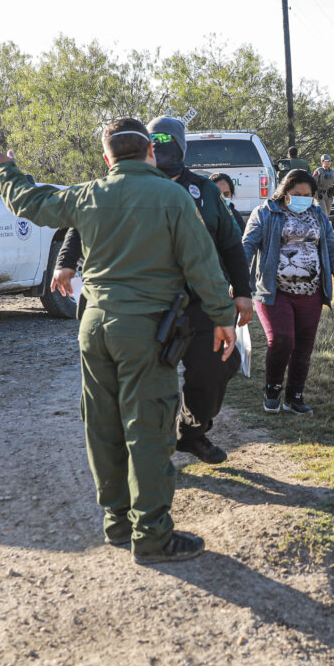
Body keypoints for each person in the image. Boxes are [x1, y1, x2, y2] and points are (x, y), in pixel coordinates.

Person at [0, 118, 237, 564]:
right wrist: (222, 316)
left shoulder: (87, 194)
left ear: (107, 158)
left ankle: (117, 521)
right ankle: (152, 536)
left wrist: (5, 169)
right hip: (144, 329)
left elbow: (29, 201)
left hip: (94, 327)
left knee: (103, 425)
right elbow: (202, 264)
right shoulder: (173, 196)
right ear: (150, 153)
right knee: (149, 428)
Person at [52, 117, 253, 466]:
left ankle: (190, 432)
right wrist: (66, 262)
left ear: (182, 147)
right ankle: (145, 458)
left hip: (198, 299)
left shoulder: (204, 191)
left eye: (168, 140)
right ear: (146, 146)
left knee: (219, 365)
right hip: (144, 300)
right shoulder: (122, 183)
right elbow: (82, 219)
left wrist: (243, 292)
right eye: (154, 140)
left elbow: (231, 243)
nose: (161, 147)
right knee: (143, 384)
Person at [242, 169, 334, 414]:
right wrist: (238, 281)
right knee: (282, 339)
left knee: (303, 347)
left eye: (307, 194)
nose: (302, 198)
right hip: (274, 290)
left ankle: (294, 397)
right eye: (296, 193)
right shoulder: (265, 213)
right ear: (284, 192)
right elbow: (247, 245)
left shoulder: (318, 214)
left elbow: (331, 245)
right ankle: (272, 389)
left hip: (311, 291)